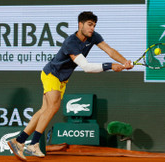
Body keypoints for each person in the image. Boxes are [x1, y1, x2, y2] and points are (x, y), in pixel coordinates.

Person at [7, 11, 134, 161]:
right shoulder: (71, 42)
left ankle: (18, 141)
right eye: (89, 24)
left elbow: (109, 50)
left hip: (62, 79)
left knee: (44, 110)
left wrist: (125, 62)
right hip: (51, 74)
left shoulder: (94, 37)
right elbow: (86, 67)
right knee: (53, 107)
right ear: (80, 24)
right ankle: (33, 144)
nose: (92, 28)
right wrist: (110, 66)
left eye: (94, 25)